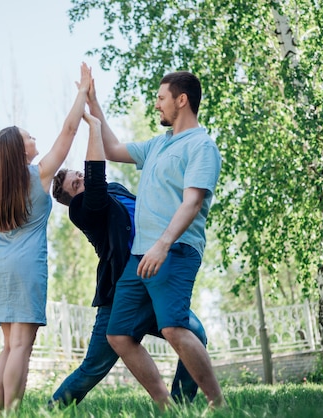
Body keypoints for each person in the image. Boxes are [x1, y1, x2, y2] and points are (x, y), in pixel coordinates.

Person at [50, 109, 209, 406]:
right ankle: (51, 410)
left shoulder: (115, 191)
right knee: (93, 368)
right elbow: (96, 181)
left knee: (195, 335)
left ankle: (181, 407)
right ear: (72, 197)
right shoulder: (82, 209)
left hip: (151, 276)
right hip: (120, 293)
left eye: (79, 175)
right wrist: (94, 129)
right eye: (76, 183)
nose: (81, 179)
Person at [87, 71, 226, 409]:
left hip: (174, 251)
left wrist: (163, 244)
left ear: (182, 100)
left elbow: (192, 202)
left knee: (174, 329)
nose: (156, 104)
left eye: (161, 97)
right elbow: (112, 148)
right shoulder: (157, 144)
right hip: (140, 256)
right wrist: (92, 103)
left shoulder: (201, 146)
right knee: (118, 333)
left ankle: (218, 404)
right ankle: (167, 406)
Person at [0, 63, 92, 412]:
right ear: (20, 150)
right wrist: (82, 92)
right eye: (29, 136)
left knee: (9, 346)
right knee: (22, 346)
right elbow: (69, 131)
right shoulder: (39, 175)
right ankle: (12, 412)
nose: (35, 139)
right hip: (26, 266)